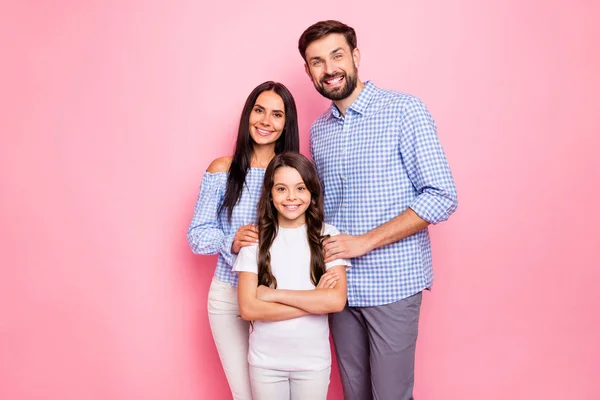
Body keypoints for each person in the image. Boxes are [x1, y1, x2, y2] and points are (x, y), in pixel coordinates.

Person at [298, 20, 459, 400]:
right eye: (317, 61)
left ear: (355, 56)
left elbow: (442, 195)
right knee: (355, 395)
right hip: (339, 288)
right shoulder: (319, 130)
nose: (329, 68)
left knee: (390, 395)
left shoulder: (404, 110)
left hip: (392, 284)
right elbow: (321, 209)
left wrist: (365, 242)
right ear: (308, 71)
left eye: (337, 55)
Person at [187, 81, 300, 400]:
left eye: (277, 114)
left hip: (277, 296)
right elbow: (196, 235)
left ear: (286, 123)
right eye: (259, 110)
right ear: (247, 114)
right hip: (228, 296)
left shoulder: (294, 173)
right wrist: (230, 242)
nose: (266, 120)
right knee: (246, 395)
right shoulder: (222, 169)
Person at [233, 152, 351, 400]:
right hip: (265, 362)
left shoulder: (327, 236)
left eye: (300, 188)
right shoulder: (255, 239)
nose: (291, 197)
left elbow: (336, 302)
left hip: (312, 363)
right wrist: (315, 300)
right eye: (281, 189)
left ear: (312, 193)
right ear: (270, 194)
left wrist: (272, 295)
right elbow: (248, 309)